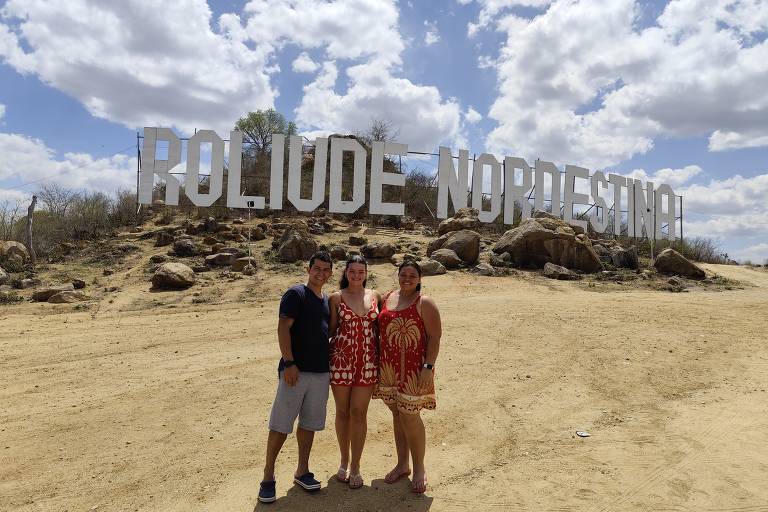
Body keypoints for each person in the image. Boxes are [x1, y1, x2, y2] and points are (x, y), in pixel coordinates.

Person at [258, 251, 333, 504]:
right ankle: (268, 476)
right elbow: (283, 328)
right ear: (308, 269)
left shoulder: (325, 300)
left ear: (330, 274)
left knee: (309, 424)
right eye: (317, 268)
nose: (320, 273)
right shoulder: (296, 294)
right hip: (296, 372)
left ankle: (302, 470)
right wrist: (289, 362)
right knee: (280, 425)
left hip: (321, 373)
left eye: (325, 270)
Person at [374, 260, 442, 494]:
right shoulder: (388, 296)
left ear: (420, 278)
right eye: (404, 274)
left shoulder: (425, 303)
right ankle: (403, 464)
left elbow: (434, 337)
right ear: (398, 276)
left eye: (413, 275)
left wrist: (428, 366)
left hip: (414, 370)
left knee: (410, 416)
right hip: (389, 368)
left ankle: (419, 468)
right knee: (397, 414)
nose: (408, 279)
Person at [328, 255, 382, 489]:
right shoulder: (336, 298)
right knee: (342, 412)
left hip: (368, 361)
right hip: (341, 360)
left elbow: (381, 329)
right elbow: (330, 330)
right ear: (346, 272)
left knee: (359, 412)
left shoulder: (375, 296)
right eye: (353, 271)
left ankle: (357, 466)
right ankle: (344, 461)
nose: (357, 275)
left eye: (361, 271)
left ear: (366, 273)